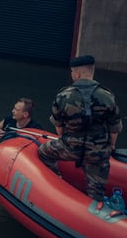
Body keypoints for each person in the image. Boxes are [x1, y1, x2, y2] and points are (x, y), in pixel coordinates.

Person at [38, 55, 121, 201]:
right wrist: (111, 146)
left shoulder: (63, 95)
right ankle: (95, 208)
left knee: (43, 152)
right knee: (97, 191)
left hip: (69, 148)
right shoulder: (108, 96)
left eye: (72, 72)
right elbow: (114, 128)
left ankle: (56, 180)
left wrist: (66, 141)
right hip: (98, 153)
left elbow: (59, 127)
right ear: (92, 71)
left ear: (76, 74)